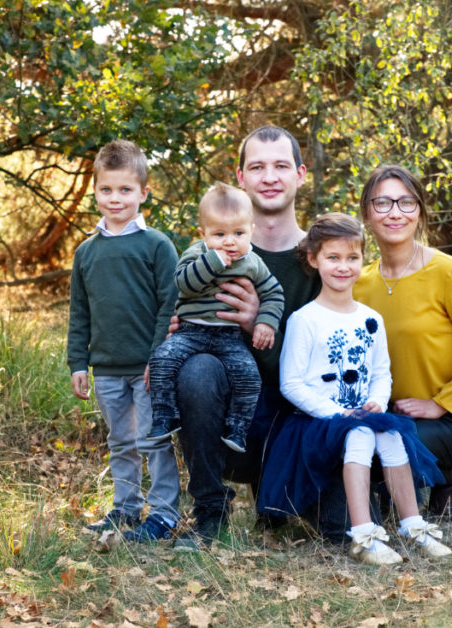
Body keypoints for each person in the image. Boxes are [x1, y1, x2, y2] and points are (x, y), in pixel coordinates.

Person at [171, 125, 334, 550]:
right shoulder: (211, 253)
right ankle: (210, 512)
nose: (269, 177)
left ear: (300, 175)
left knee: (329, 525)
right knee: (198, 368)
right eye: (257, 167)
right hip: (227, 422)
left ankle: (282, 493)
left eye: (281, 166)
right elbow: (174, 313)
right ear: (241, 178)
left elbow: (326, 369)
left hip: (296, 417)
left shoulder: (324, 261)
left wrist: (254, 322)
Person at [257, 213, 450, 565]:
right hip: (318, 422)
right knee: (360, 433)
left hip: (363, 412)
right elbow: (291, 383)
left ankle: (413, 524)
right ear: (314, 260)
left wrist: (377, 400)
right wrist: (336, 413)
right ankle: (364, 535)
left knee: (391, 433)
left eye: (352, 257)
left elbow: (381, 373)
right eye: (333, 257)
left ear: (364, 259)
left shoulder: (369, 318)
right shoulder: (304, 320)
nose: (343, 267)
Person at [353, 164, 452, 519]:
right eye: (383, 203)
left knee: (383, 453)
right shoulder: (360, 284)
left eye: (406, 202)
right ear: (366, 212)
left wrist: (440, 404)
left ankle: (448, 477)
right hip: (392, 414)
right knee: (349, 450)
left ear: (420, 211)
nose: (395, 212)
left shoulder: (449, 273)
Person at [66, 139, 182, 543]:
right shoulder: (86, 252)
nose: (115, 199)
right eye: (107, 190)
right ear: (95, 191)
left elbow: (171, 306)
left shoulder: (156, 245)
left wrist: (158, 358)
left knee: (153, 440)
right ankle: (126, 508)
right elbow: (80, 312)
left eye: (125, 190)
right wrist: (78, 363)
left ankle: (165, 512)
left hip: (148, 366)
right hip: (108, 369)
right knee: (120, 441)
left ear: (143, 193)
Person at [146, 183, 284, 453]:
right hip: (189, 332)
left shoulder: (253, 262)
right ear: (203, 234)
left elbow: (274, 293)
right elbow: (184, 283)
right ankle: (165, 416)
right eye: (219, 234)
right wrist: (213, 261)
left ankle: (237, 428)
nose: (230, 241)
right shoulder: (197, 254)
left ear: (251, 231)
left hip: (229, 337)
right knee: (161, 360)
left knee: (249, 376)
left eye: (238, 233)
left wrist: (266, 322)